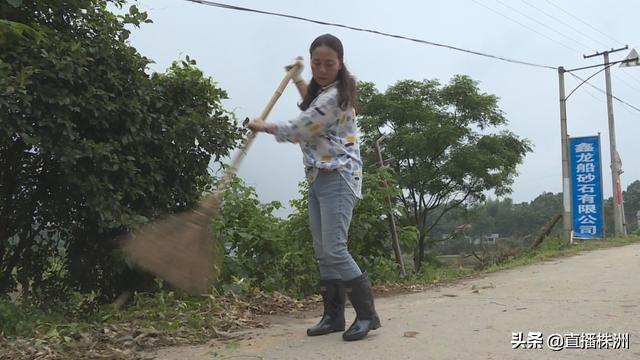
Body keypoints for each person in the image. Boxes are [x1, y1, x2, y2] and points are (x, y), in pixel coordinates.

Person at [248, 34, 380, 341]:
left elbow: (302, 127)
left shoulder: (335, 97)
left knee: (335, 248)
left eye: (329, 64)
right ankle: (333, 317)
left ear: (340, 64)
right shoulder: (323, 93)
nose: (322, 69)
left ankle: (368, 315)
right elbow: (311, 104)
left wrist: (264, 126)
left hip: (338, 176)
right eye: (316, 64)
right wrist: (298, 80)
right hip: (318, 175)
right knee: (323, 252)